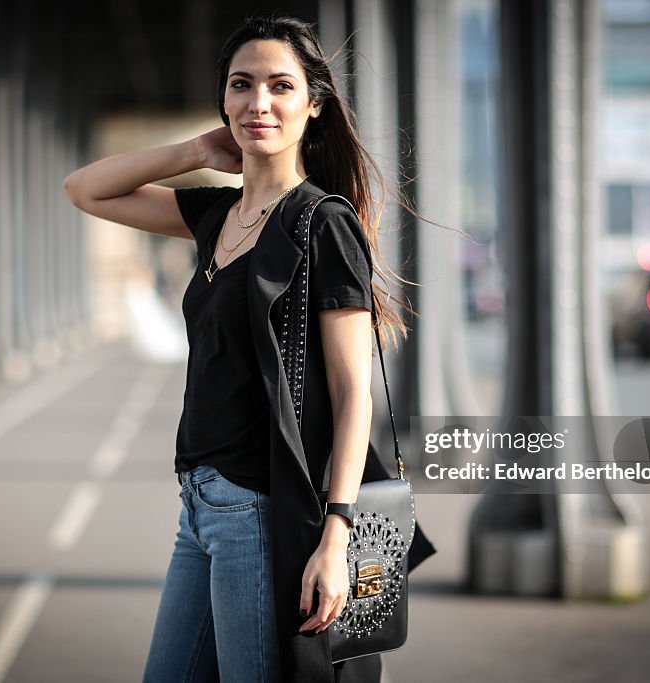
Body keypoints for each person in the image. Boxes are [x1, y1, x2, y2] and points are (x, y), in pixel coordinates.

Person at [64, 14, 434, 683]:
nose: (258, 103)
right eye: (241, 85)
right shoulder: (214, 215)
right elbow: (85, 189)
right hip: (199, 505)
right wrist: (199, 150)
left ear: (313, 104)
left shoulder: (323, 224)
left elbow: (354, 395)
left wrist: (337, 534)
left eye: (280, 86)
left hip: (261, 509)